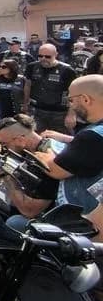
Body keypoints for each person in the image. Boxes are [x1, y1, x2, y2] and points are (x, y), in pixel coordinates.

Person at [36, 75, 103, 213]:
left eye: (71, 100)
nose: (70, 105)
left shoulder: (91, 137)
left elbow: (55, 170)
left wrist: (46, 152)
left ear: (86, 99)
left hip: (86, 222)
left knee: (16, 223)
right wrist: (67, 139)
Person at [0, 115, 58, 229]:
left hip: (51, 220)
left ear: (20, 139)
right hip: (29, 203)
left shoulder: (45, 160)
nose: (3, 149)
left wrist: (6, 176)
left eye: (5, 144)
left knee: (14, 222)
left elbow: (29, 211)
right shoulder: (32, 150)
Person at [23, 43, 77, 133]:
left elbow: (74, 93)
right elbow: (28, 85)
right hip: (37, 110)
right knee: (36, 138)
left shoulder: (67, 70)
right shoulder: (32, 67)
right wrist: (25, 104)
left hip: (59, 113)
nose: (43, 59)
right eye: (40, 56)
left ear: (56, 55)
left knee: (59, 141)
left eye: (48, 57)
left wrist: (71, 114)